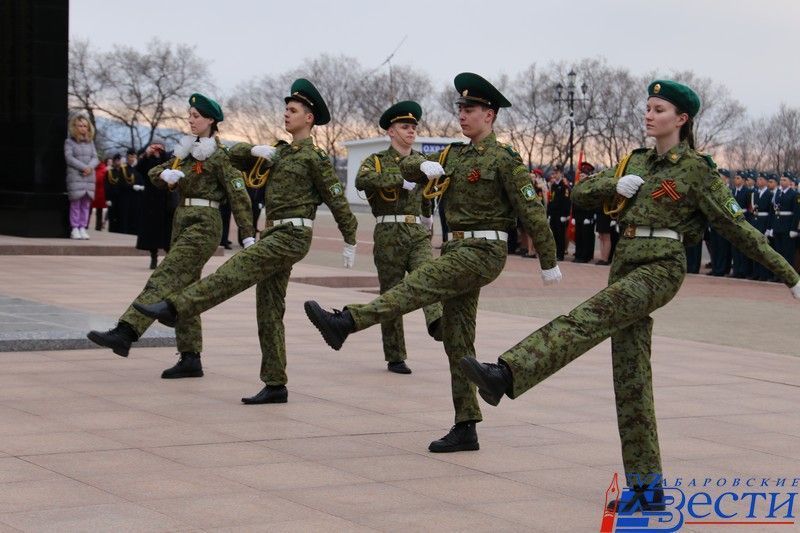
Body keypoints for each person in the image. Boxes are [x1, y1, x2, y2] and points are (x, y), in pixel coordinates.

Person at [459, 80, 800, 511]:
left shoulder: (697, 169)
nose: (649, 114)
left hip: (662, 265)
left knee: (588, 317)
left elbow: (737, 228)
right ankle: (646, 488)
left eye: (659, 109)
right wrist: (613, 187)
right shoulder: (634, 161)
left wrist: (789, 275)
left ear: (681, 119)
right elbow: (582, 193)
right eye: (648, 107)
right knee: (631, 375)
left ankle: (508, 373)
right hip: (625, 261)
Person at [302, 73, 560, 453]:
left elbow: (531, 209)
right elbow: (408, 168)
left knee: (417, 284)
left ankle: (347, 321)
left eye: (469, 109)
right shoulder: (451, 154)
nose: (462, 115)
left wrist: (548, 260)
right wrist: (420, 169)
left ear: (489, 114)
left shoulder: (504, 158)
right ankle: (466, 424)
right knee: (457, 340)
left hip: (485, 251)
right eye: (460, 109)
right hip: (455, 250)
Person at [134, 79, 358, 404]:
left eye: (293, 110)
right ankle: (276, 383)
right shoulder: (277, 153)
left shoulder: (316, 158)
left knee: (234, 271)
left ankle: (175, 308)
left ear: (309, 118)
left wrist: (349, 237)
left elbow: (337, 199)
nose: (286, 114)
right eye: (286, 109)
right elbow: (231, 160)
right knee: (268, 309)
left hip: (293, 234)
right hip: (274, 231)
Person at [87, 93, 255, 380]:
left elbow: (239, 196)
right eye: (189, 115)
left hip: (205, 224)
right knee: (183, 290)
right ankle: (190, 358)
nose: (191, 120)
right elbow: (154, 172)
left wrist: (248, 237)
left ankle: (126, 331)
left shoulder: (220, 156)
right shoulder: (185, 154)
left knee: (166, 275)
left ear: (211, 120)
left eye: (196, 116)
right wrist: (163, 176)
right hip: (181, 222)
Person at [355, 100, 443, 374]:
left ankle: (437, 321)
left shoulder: (419, 161)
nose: (411, 131)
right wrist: (396, 179)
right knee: (391, 293)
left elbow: (427, 191)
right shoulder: (377, 161)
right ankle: (395, 355)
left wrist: (428, 216)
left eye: (414, 127)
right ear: (391, 131)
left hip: (416, 231)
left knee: (427, 275)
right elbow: (362, 180)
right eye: (405, 126)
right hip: (388, 231)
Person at [135, 139, 175, 269]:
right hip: (151, 202)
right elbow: (138, 169)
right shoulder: (146, 161)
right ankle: (153, 257)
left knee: (168, 233)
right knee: (152, 233)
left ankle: (170, 259)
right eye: (154, 146)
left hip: (166, 201)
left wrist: (162, 154)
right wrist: (147, 154)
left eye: (160, 147)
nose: (157, 149)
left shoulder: (167, 159)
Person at [64, 114, 99, 240]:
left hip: (89, 178)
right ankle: (74, 228)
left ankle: (83, 227)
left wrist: (89, 167)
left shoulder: (91, 143)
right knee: (75, 204)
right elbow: (69, 158)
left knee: (86, 204)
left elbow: (95, 157)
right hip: (76, 177)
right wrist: (83, 167)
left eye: (85, 126)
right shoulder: (69, 142)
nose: (83, 128)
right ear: (74, 127)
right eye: (80, 125)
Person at [751, 171, 775, 281]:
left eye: (761, 179)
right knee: (756, 249)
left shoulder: (770, 194)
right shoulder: (755, 193)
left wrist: (769, 228)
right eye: (758, 179)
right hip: (756, 221)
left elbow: (771, 213)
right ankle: (756, 272)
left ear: (766, 181)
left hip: (764, 222)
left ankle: (764, 274)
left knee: (764, 250)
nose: (758, 181)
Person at [730, 170, 753, 278]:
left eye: (738, 178)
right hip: (733, 221)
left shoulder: (747, 192)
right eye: (735, 178)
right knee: (735, 247)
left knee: (743, 247)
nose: (736, 180)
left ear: (743, 180)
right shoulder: (732, 191)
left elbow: (750, 208)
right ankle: (736, 270)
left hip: (743, 220)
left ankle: (743, 271)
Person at [572, 161, 597, 263]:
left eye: (583, 175)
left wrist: (590, 216)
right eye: (580, 175)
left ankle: (586, 256)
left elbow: (593, 202)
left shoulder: (591, 187)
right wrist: (573, 216)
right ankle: (578, 254)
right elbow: (574, 201)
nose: (581, 176)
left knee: (587, 237)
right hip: (578, 214)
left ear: (588, 176)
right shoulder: (577, 186)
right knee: (579, 236)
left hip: (587, 215)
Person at [547, 164, 571, 261]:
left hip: (561, 215)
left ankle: (561, 254)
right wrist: (548, 214)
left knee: (561, 235)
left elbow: (567, 201)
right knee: (554, 235)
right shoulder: (554, 185)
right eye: (554, 173)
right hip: (553, 214)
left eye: (556, 173)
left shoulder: (564, 186)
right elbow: (551, 200)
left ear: (561, 173)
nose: (555, 175)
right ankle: (555, 253)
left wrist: (565, 215)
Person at [92, 155, 107, 231]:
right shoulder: (93, 168)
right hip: (93, 191)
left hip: (101, 193)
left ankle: (98, 227)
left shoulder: (104, 170)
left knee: (99, 211)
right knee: (88, 210)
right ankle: (85, 225)